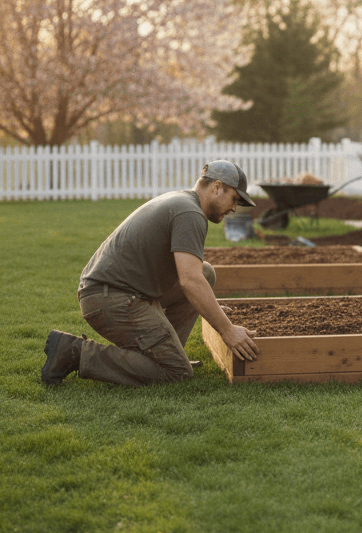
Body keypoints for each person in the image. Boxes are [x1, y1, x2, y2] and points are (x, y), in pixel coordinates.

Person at [41, 160, 261, 387]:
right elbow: (190, 282)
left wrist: (211, 308)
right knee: (176, 372)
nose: (235, 208)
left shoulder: (182, 201)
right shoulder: (190, 213)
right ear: (216, 187)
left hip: (113, 293)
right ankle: (74, 352)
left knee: (206, 273)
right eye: (234, 198)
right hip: (111, 299)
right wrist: (227, 330)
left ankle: (168, 352)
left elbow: (195, 276)